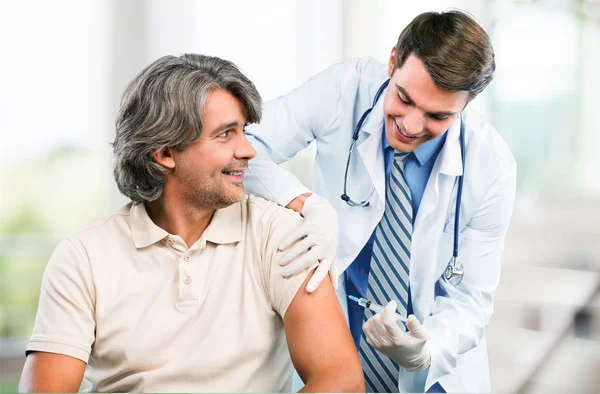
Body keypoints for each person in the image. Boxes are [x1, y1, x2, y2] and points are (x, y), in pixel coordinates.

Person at [18, 54, 364, 393]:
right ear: (165, 152)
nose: (249, 151)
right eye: (226, 134)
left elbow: (341, 381)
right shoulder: (83, 257)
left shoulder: (280, 235)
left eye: (243, 131)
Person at [243, 10, 517, 393]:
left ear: (465, 106)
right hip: (339, 353)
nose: (412, 125)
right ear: (392, 61)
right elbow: (244, 146)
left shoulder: (491, 167)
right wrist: (306, 203)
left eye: (437, 116)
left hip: (436, 377)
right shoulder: (344, 89)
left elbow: (471, 300)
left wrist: (424, 352)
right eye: (404, 98)